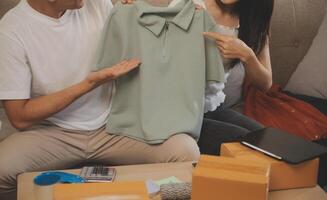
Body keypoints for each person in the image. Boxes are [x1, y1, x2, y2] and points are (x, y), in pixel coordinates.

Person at [0, 0, 200, 199]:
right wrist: (89, 84)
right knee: (2, 169)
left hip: (116, 125)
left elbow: (142, 36)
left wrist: (176, 17)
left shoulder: (97, 4)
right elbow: (19, 116)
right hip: (53, 132)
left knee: (185, 152)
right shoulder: (11, 31)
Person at [170, 0, 274, 155]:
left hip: (211, 106)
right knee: (245, 146)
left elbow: (266, 83)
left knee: (266, 139)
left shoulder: (251, 18)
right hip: (178, 110)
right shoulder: (191, 5)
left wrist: (248, 55)